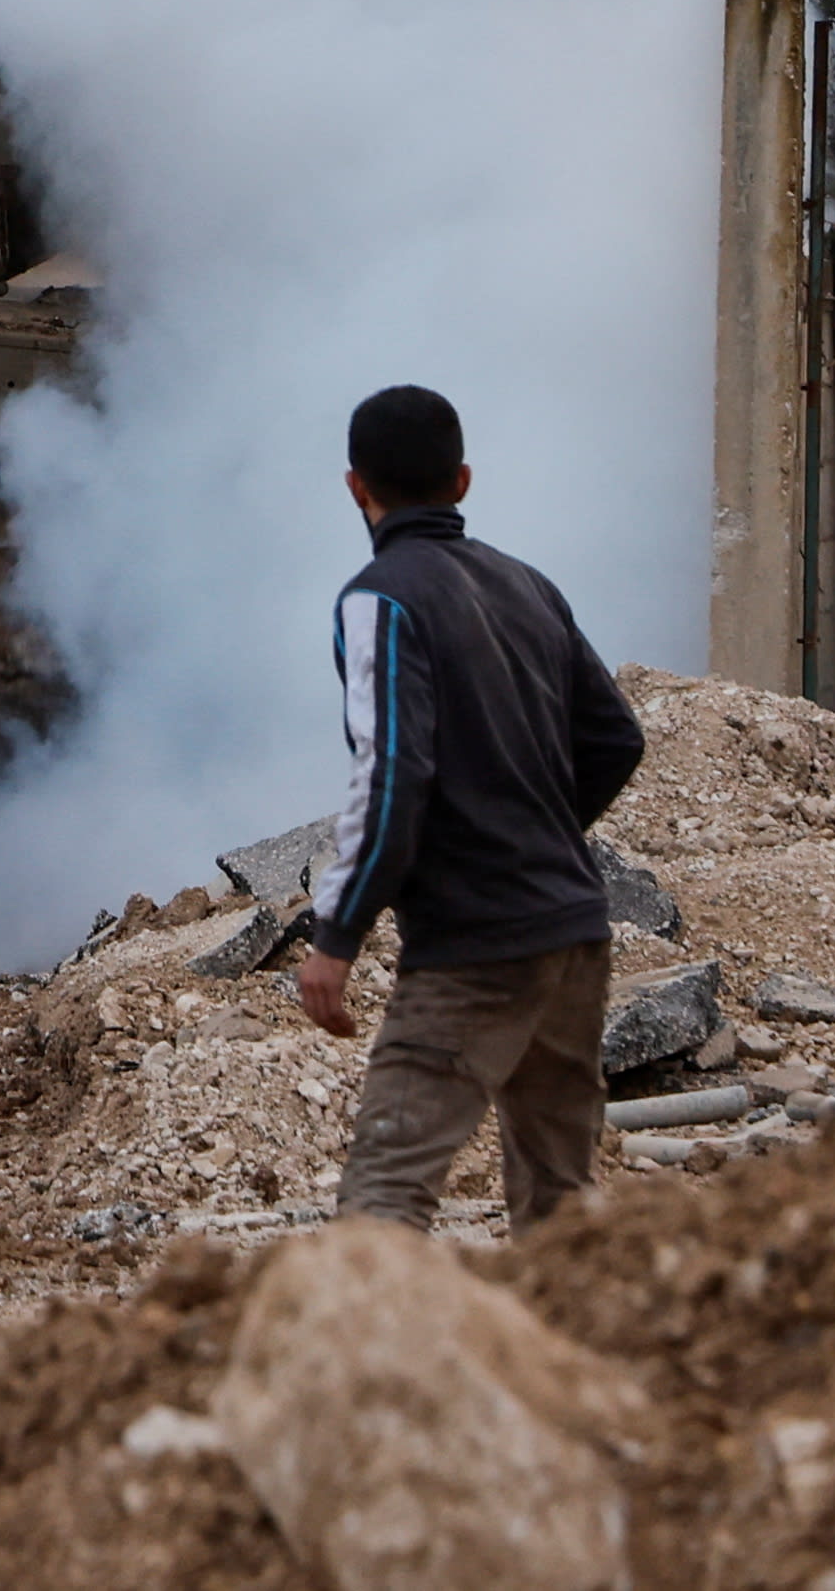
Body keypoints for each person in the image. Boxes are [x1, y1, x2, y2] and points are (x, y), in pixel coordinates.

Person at [296, 384, 647, 1233]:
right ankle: (567, 1360)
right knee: (560, 1201)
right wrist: (534, 832)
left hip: (472, 949)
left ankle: (379, 1368)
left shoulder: (376, 599)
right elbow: (614, 739)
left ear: (354, 487)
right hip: (571, 933)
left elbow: (392, 772)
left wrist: (335, 937)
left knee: (383, 1193)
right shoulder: (526, 584)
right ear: (461, 480)